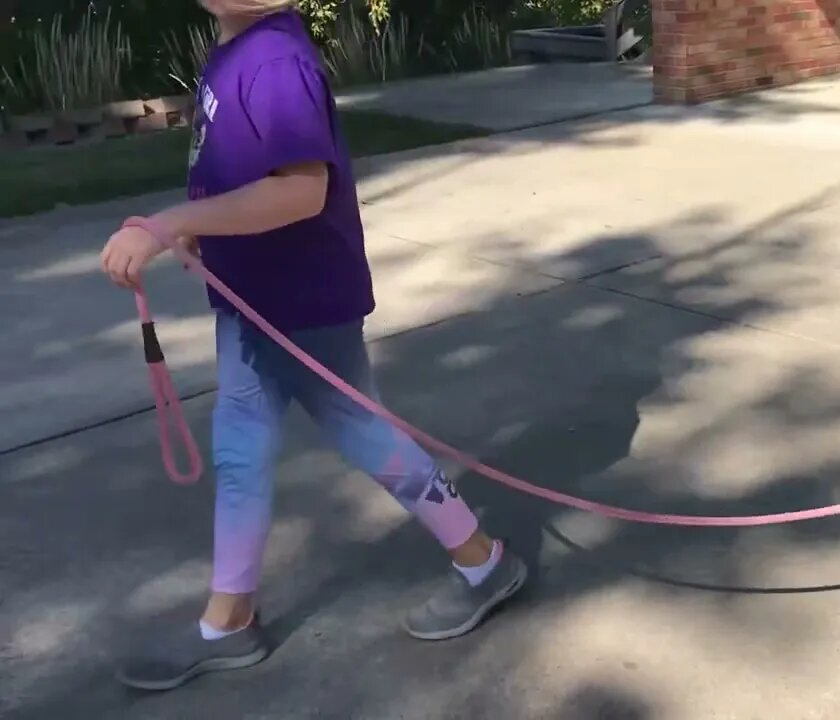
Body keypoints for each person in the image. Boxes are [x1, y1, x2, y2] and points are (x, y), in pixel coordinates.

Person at [100, 0, 527, 691]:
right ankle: (229, 619)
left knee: (363, 433)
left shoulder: (273, 61)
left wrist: (167, 221)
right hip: (254, 299)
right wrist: (203, 227)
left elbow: (300, 191)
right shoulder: (236, 47)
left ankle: (484, 561)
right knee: (242, 450)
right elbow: (242, 171)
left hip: (301, 302)